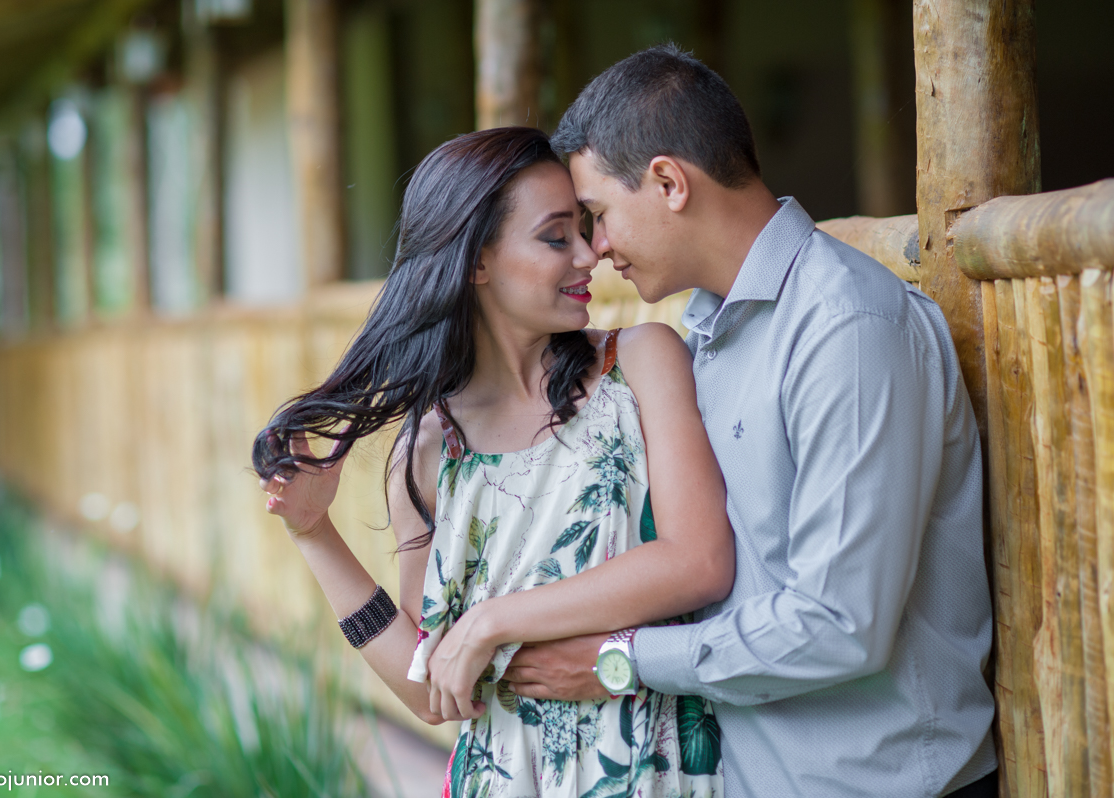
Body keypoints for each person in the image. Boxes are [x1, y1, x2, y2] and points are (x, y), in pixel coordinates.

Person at [500, 44, 998, 798]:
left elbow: (839, 624)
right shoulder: (708, 331)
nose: (597, 251)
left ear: (668, 182)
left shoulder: (847, 328)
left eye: (598, 216)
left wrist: (620, 658)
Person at [254, 125, 736, 797]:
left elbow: (699, 563)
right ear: (476, 260)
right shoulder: (431, 450)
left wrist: (493, 622)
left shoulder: (643, 363)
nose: (590, 253)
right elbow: (434, 691)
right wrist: (314, 536)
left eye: (585, 228)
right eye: (555, 235)